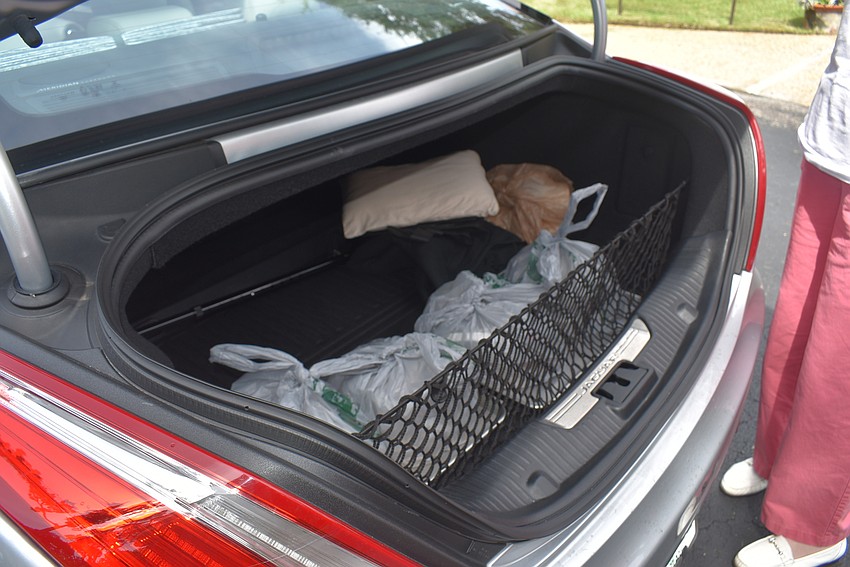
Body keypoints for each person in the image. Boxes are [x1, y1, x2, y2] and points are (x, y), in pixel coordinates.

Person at [719, 8, 850, 567]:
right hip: (837, 134)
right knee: (796, 322)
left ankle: (815, 526)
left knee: (838, 358)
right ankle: (776, 462)